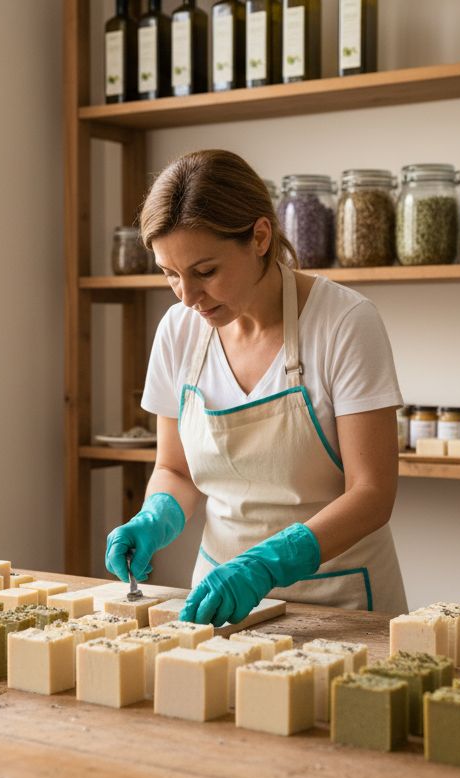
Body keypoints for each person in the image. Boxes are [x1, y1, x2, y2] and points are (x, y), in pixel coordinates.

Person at [104, 149, 408, 626]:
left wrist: (268, 564)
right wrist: (154, 516)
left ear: (260, 237)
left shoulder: (345, 322)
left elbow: (372, 492)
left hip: (338, 601)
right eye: (170, 274)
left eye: (205, 272)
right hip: (218, 601)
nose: (187, 297)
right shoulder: (178, 331)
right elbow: (176, 470)